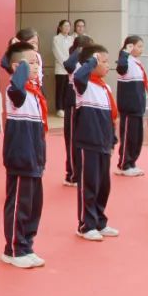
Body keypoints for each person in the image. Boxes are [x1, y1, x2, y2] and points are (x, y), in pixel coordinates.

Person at [1, 42, 48, 268]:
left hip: (34, 158)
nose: (36, 66)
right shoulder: (14, 90)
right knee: (19, 203)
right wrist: (20, 69)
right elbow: (17, 88)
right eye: (30, 62)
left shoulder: (34, 92)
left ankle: (26, 244)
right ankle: (13, 248)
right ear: (17, 67)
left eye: (36, 61)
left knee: (33, 205)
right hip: (20, 157)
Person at [72, 44, 120, 242]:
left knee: (103, 185)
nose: (108, 65)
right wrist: (92, 60)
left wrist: (112, 138)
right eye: (104, 61)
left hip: (103, 142)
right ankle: (86, 224)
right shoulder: (83, 85)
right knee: (89, 184)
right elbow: (78, 75)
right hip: (88, 142)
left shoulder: (105, 86)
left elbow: (110, 116)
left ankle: (100, 220)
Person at [61, 36, 93, 187]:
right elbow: (67, 64)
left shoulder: (87, 63)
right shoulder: (74, 62)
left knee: (82, 138)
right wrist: (78, 50)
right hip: (73, 102)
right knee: (72, 139)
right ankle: (72, 174)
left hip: (85, 102)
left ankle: (81, 171)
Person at [115, 36, 148, 177]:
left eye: (142, 46)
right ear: (130, 46)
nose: (141, 49)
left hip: (138, 106)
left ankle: (132, 162)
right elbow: (121, 68)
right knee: (128, 136)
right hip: (129, 106)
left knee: (136, 137)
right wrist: (124, 52)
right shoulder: (125, 61)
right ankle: (124, 164)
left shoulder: (136, 62)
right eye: (138, 46)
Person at [52, 20, 74, 115]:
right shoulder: (56, 38)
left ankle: (66, 107)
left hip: (70, 68)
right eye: (65, 26)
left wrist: (71, 64)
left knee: (68, 89)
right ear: (60, 27)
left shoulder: (71, 38)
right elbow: (57, 53)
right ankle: (59, 108)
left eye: (68, 26)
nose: (67, 28)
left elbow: (73, 52)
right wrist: (65, 64)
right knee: (60, 89)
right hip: (60, 68)